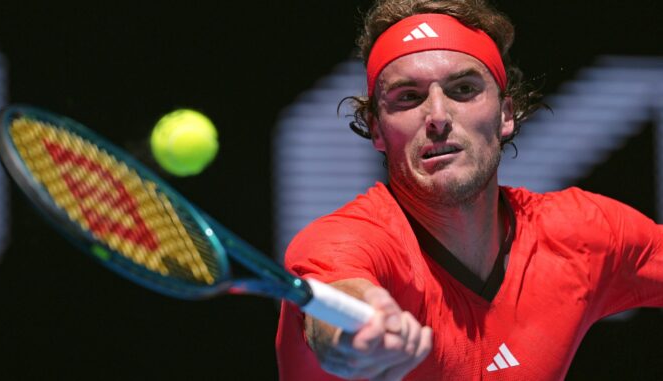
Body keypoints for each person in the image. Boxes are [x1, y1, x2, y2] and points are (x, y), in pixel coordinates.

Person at [275, 0, 663, 379]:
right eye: (409, 97)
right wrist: (358, 329)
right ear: (377, 128)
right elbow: (337, 300)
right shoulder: (341, 241)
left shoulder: (584, 233)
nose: (438, 117)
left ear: (506, 114)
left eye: (463, 89)